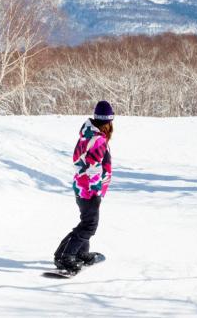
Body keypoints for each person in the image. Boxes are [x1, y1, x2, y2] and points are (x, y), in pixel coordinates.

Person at [53, 100, 114, 273]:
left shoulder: (87, 135)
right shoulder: (98, 139)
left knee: (86, 222)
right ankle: (65, 256)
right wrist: (95, 191)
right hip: (89, 189)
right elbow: (92, 167)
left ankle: (80, 253)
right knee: (89, 225)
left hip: (82, 186)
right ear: (109, 122)